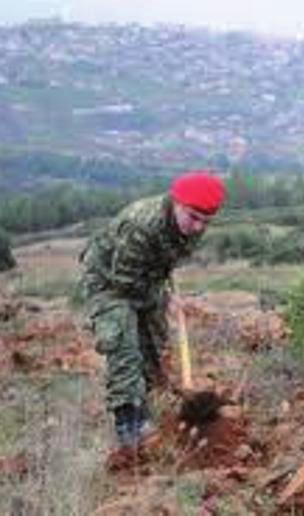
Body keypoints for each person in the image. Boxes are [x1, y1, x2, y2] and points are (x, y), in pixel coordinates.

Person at [78, 171, 226, 448]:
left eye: (205, 222)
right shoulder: (142, 224)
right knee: (124, 345)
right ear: (176, 203)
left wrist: (164, 291)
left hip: (148, 279)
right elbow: (125, 282)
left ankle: (147, 409)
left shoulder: (190, 226)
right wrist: (164, 298)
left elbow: (165, 259)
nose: (197, 227)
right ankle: (129, 425)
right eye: (193, 217)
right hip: (109, 282)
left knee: (154, 346)